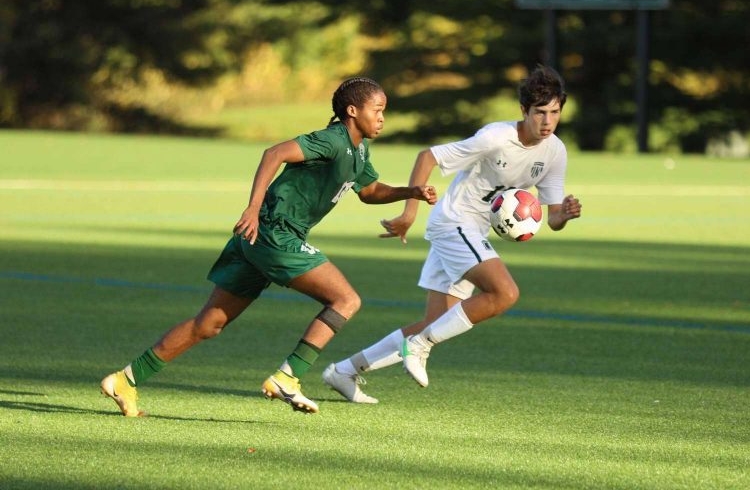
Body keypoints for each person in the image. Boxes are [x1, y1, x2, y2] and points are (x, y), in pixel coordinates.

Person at [100, 77, 437, 416]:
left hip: (259, 239)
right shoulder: (331, 140)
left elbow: (369, 191)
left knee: (208, 324)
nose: (382, 118)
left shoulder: (359, 149)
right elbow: (274, 153)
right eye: (377, 110)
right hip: (275, 232)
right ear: (352, 111)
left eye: (384, 111)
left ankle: (125, 380)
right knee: (346, 299)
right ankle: (288, 377)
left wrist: (410, 192)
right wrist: (252, 208)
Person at [322, 65, 582, 403]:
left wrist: (567, 213)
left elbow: (553, 218)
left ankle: (344, 371)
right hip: (454, 223)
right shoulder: (496, 137)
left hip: (473, 231)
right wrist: (409, 212)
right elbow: (427, 156)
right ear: (523, 110)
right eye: (539, 113)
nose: (547, 122)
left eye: (554, 113)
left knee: (436, 322)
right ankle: (419, 346)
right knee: (504, 293)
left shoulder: (554, 152)